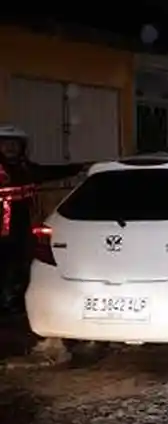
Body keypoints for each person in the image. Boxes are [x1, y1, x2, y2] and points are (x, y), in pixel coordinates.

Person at [0, 125, 88, 311]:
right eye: (5, 144)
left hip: (22, 223)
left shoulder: (25, 167)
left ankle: (14, 298)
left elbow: (47, 172)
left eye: (14, 144)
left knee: (21, 259)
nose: (10, 148)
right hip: (3, 226)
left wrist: (78, 168)